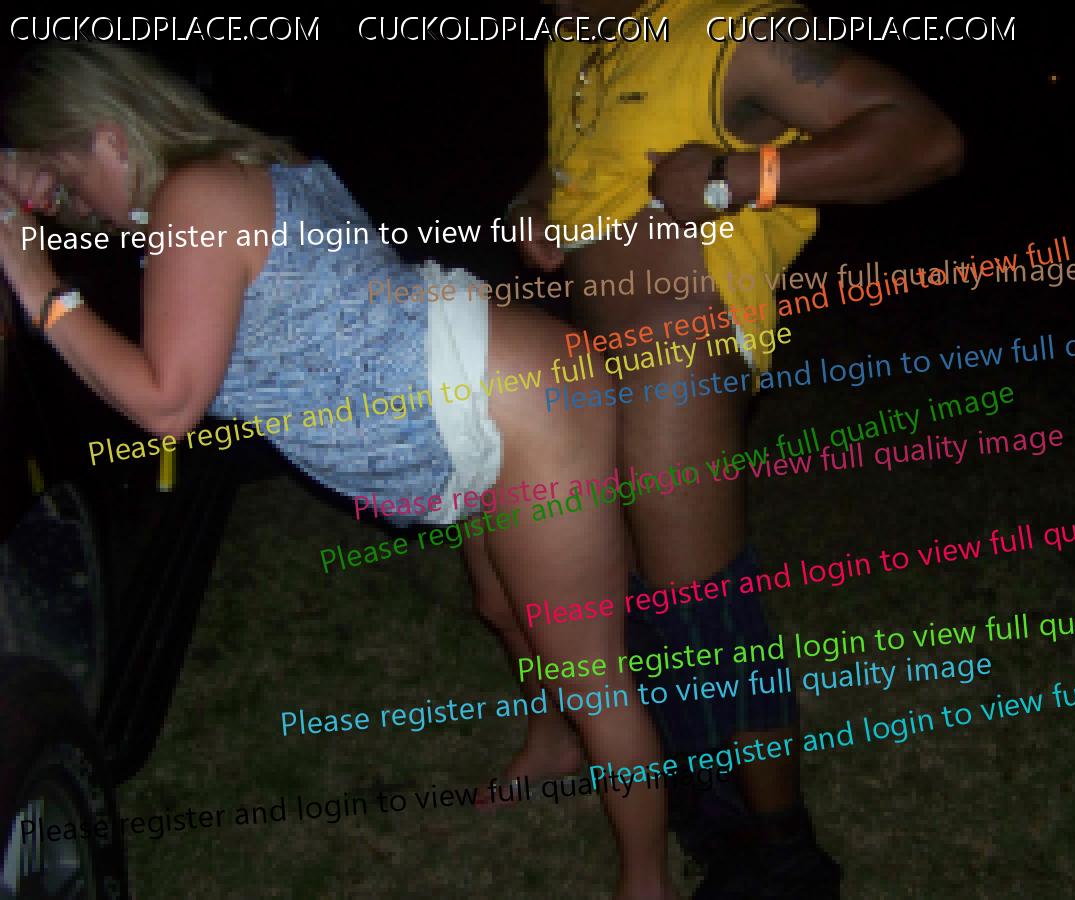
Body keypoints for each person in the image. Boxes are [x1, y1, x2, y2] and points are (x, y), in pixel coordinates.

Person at [0, 44, 679, 900]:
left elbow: (167, 402)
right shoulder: (219, 180)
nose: (68, 207)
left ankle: (647, 881)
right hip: (472, 403)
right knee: (502, 607)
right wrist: (31, 182)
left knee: (590, 670)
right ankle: (553, 744)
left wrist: (38, 287)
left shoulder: (196, 197)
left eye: (68, 180)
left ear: (107, 135)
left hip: (520, 405)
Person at [477, 2, 964, 897]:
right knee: (634, 600)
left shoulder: (734, 31)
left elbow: (922, 139)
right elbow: (574, 156)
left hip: (683, 349)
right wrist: (530, 202)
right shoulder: (575, 43)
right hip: (592, 352)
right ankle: (712, 810)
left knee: (704, 611)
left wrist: (738, 176)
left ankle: (785, 853)